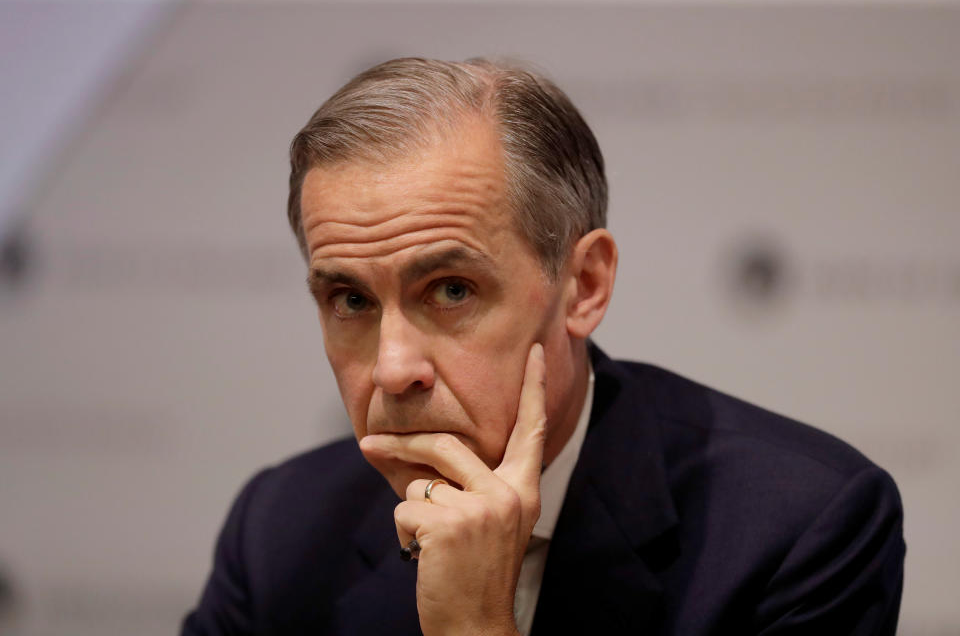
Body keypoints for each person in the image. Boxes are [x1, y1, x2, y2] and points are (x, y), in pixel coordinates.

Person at [182, 57, 904, 635]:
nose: (393, 367)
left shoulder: (801, 529)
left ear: (583, 286)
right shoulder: (281, 530)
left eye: (452, 290)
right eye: (351, 300)